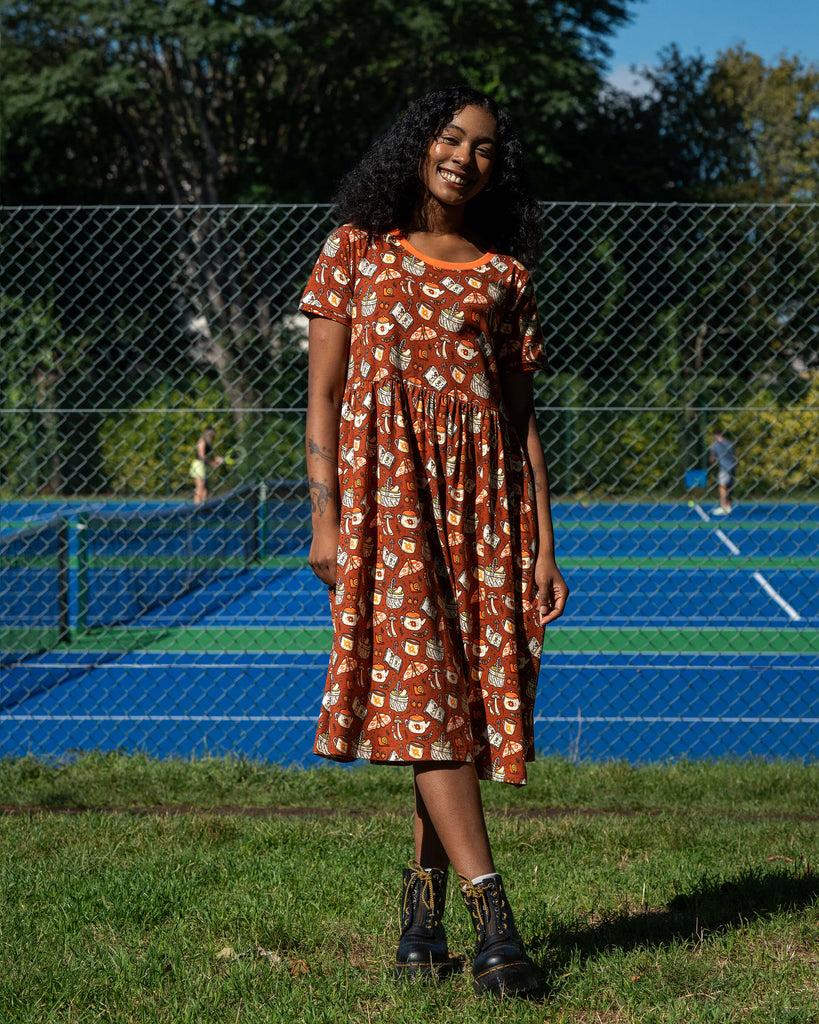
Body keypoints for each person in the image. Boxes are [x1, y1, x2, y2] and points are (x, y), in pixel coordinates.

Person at [302, 86, 569, 998]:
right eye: (449, 138)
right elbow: (325, 398)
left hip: (484, 511)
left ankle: (421, 917)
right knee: (424, 695)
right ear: (416, 147)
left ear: (499, 169)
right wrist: (324, 514)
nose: (464, 156)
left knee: (452, 703)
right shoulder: (354, 250)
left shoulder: (505, 276)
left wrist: (542, 544)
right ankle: (494, 916)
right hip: (387, 504)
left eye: (485, 147)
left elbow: (522, 421)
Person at [190, 426, 224, 504]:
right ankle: (197, 507)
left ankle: (203, 506)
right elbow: (201, 456)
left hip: (203, 466)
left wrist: (220, 460)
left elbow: (213, 456)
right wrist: (212, 463)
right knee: (200, 488)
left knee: (205, 489)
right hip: (198, 465)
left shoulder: (209, 443)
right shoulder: (202, 441)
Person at [709, 427, 737, 515]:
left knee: (722, 487)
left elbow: (712, 459)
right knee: (729, 487)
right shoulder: (730, 443)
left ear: (715, 435)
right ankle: (728, 506)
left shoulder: (716, 445)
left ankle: (723, 506)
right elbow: (734, 456)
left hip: (724, 468)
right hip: (732, 467)